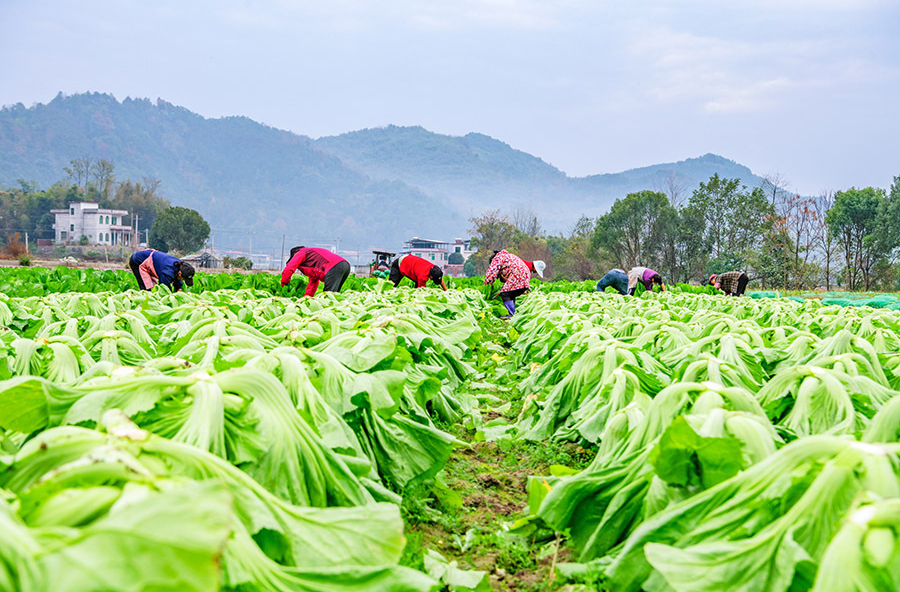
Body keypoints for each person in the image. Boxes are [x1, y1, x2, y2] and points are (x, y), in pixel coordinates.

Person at [281, 246, 350, 297]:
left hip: (335, 266)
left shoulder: (301, 252)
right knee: (334, 295)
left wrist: (283, 283)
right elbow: (313, 284)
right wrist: (307, 298)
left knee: (328, 296)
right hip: (345, 266)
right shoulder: (312, 259)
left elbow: (289, 268)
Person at [485, 250, 531, 319]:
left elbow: (491, 273)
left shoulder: (497, 258)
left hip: (517, 274)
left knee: (505, 293)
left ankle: (511, 314)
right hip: (525, 275)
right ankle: (513, 313)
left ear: (492, 259)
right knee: (511, 293)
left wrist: (487, 285)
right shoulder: (508, 256)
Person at [129, 249, 195, 292]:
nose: (183, 280)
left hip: (152, 260)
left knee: (153, 288)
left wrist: (179, 288)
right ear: (180, 273)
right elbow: (164, 290)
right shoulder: (167, 272)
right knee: (147, 289)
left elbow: (177, 279)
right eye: (183, 279)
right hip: (137, 261)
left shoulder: (180, 265)